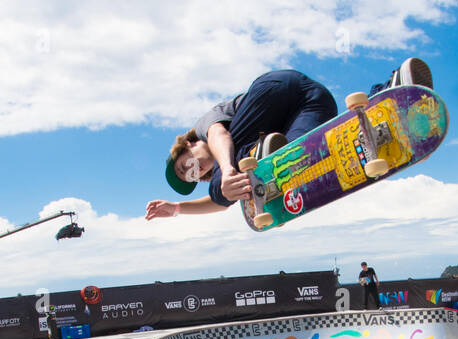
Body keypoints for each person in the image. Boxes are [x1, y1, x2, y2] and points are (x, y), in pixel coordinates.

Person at [145, 58, 431, 220]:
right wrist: (176, 209)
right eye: (193, 177)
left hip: (277, 90)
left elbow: (219, 136)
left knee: (227, 182)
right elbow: (220, 203)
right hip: (316, 105)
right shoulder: (221, 171)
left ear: (189, 145)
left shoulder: (205, 128)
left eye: (186, 166)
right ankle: (391, 92)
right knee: (304, 158)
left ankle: (259, 155)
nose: (195, 172)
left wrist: (228, 172)